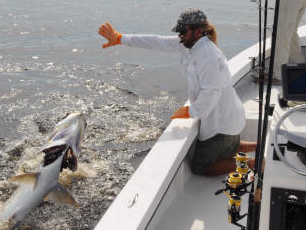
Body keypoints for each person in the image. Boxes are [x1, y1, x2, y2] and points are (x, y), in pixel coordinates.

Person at [98, 9, 256, 176]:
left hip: (221, 122)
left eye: (183, 32)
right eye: (179, 32)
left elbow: (211, 92)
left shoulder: (208, 56)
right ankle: (257, 146)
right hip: (226, 118)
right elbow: (157, 42)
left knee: (201, 167)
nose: (180, 35)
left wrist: (190, 111)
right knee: (227, 146)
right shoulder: (189, 44)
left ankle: (254, 164)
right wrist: (121, 38)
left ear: (198, 31)